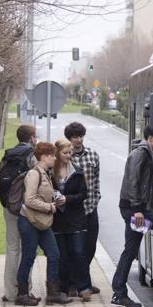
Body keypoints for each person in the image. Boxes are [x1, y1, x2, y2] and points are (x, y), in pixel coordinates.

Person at [111, 126, 153, 307]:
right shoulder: (141, 154)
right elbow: (133, 181)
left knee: (130, 249)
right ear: (151, 138)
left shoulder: (149, 152)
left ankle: (119, 292)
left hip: (141, 207)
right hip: (135, 210)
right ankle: (120, 292)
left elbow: (147, 184)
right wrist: (137, 209)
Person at [15, 142, 72, 306]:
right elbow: (30, 199)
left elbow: (44, 193)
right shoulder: (34, 174)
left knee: (54, 254)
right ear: (44, 156)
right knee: (28, 257)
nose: (55, 158)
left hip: (43, 222)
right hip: (29, 221)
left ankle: (53, 292)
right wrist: (50, 207)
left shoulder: (45, 173)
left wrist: (55, 196)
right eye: (52, 155)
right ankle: (22, 294)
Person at [0, 124, 38, 303]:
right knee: (28, 249)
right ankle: (24, 289)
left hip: (9, 207)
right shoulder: (32, 155)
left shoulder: (8, 154)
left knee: (12, 248)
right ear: (31, 138)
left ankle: (9, 292)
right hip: (27, 209)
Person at [51, 138, 93, 302]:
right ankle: (62, 288)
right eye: (65, 153)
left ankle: (84, 287)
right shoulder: (50, 172)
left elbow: (83, 194)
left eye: (70, 153)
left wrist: (67, 199)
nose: (69, 156)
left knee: (79, 252)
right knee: (62, 255)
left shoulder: (77, 171)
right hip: (58, 219)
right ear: (57, 153)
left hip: (76, 219)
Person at [64, 122, 101, 296]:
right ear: (69, 138)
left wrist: (96, 198)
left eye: (80, 136)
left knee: (90, 246)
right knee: (74, 248)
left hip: (91, 207)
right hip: (73, 210)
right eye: (74, 137)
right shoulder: (66, 157)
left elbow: (96, 180)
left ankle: (82, 280)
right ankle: (74, 283)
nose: (78, 140)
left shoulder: (93, 155)